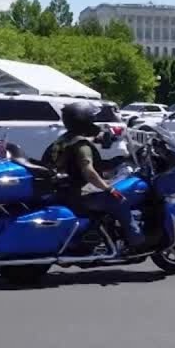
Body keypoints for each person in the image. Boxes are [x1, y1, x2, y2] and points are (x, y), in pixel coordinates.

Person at [50, 102, 142, 256]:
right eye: (91, 120)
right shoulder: (81, 145)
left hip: (63, 189)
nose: (94, 124)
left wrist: (118, 159)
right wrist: (109, 189)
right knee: (119, 199)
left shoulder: (63, 139)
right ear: (83, 122)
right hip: (78, 193)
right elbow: (88, 171)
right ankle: (136, 241)